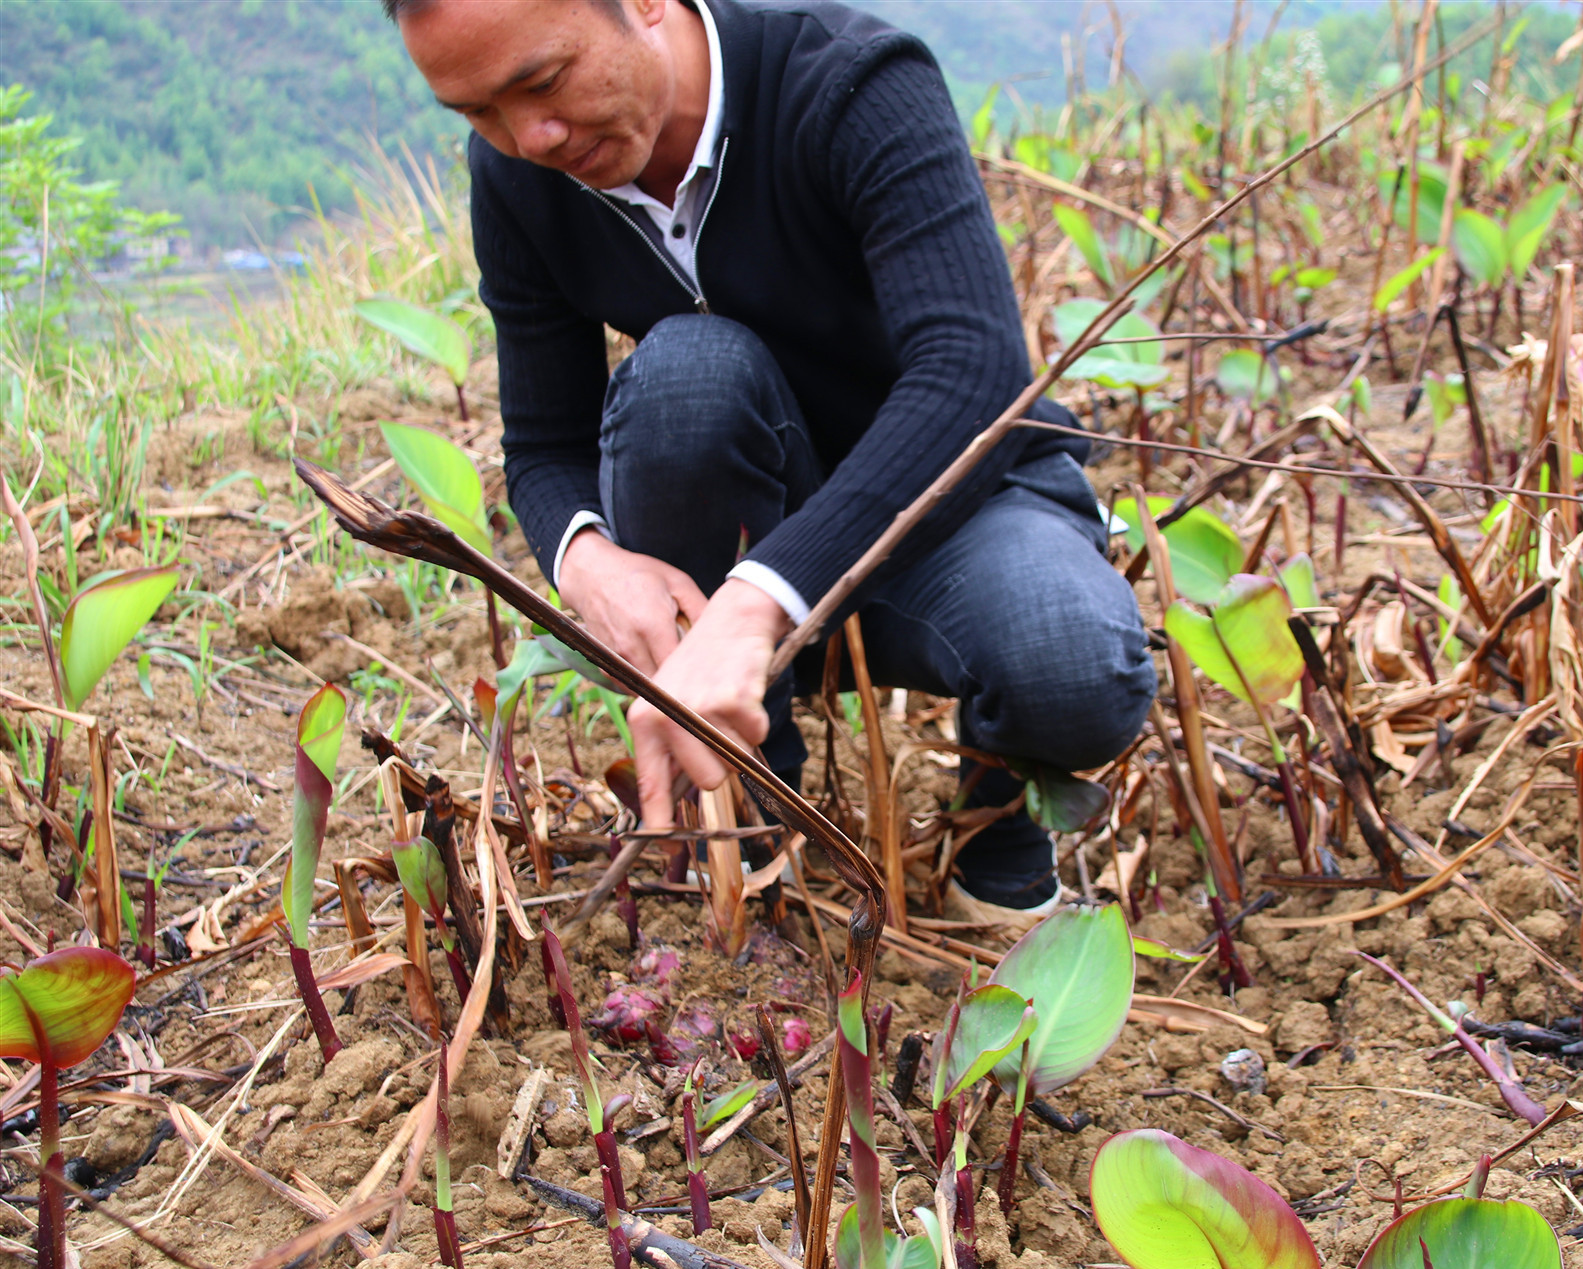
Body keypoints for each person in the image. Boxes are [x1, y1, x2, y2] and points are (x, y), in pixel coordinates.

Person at [387, 0, 1156, 921]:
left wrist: (758, 599)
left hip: (951, 517)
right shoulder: (520, 177)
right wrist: (586, 558)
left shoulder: (850, 83)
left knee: (1068, 657)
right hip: (750, 541)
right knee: (685, 379)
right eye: (477, 112)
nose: (530, 137)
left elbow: (972, 372)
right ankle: (758, 829)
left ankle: (992, 839)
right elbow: (544, 443)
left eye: (542, 83)